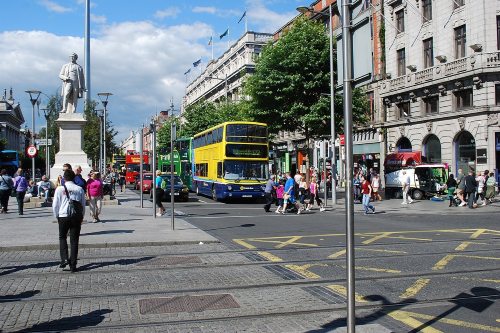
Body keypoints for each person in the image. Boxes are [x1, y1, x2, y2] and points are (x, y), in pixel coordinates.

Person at [53, 169, 85, 272]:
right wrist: (81, 217)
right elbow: (82, 205)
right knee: (74, 240)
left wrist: (56, 216)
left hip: (63, 216)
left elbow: (55, 205)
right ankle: (73, 265)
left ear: (64, 178)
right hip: (76, 216)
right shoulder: (79, 189)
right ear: (75, 178)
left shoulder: (59, 189)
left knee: (62, 237)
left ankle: (64, 259)